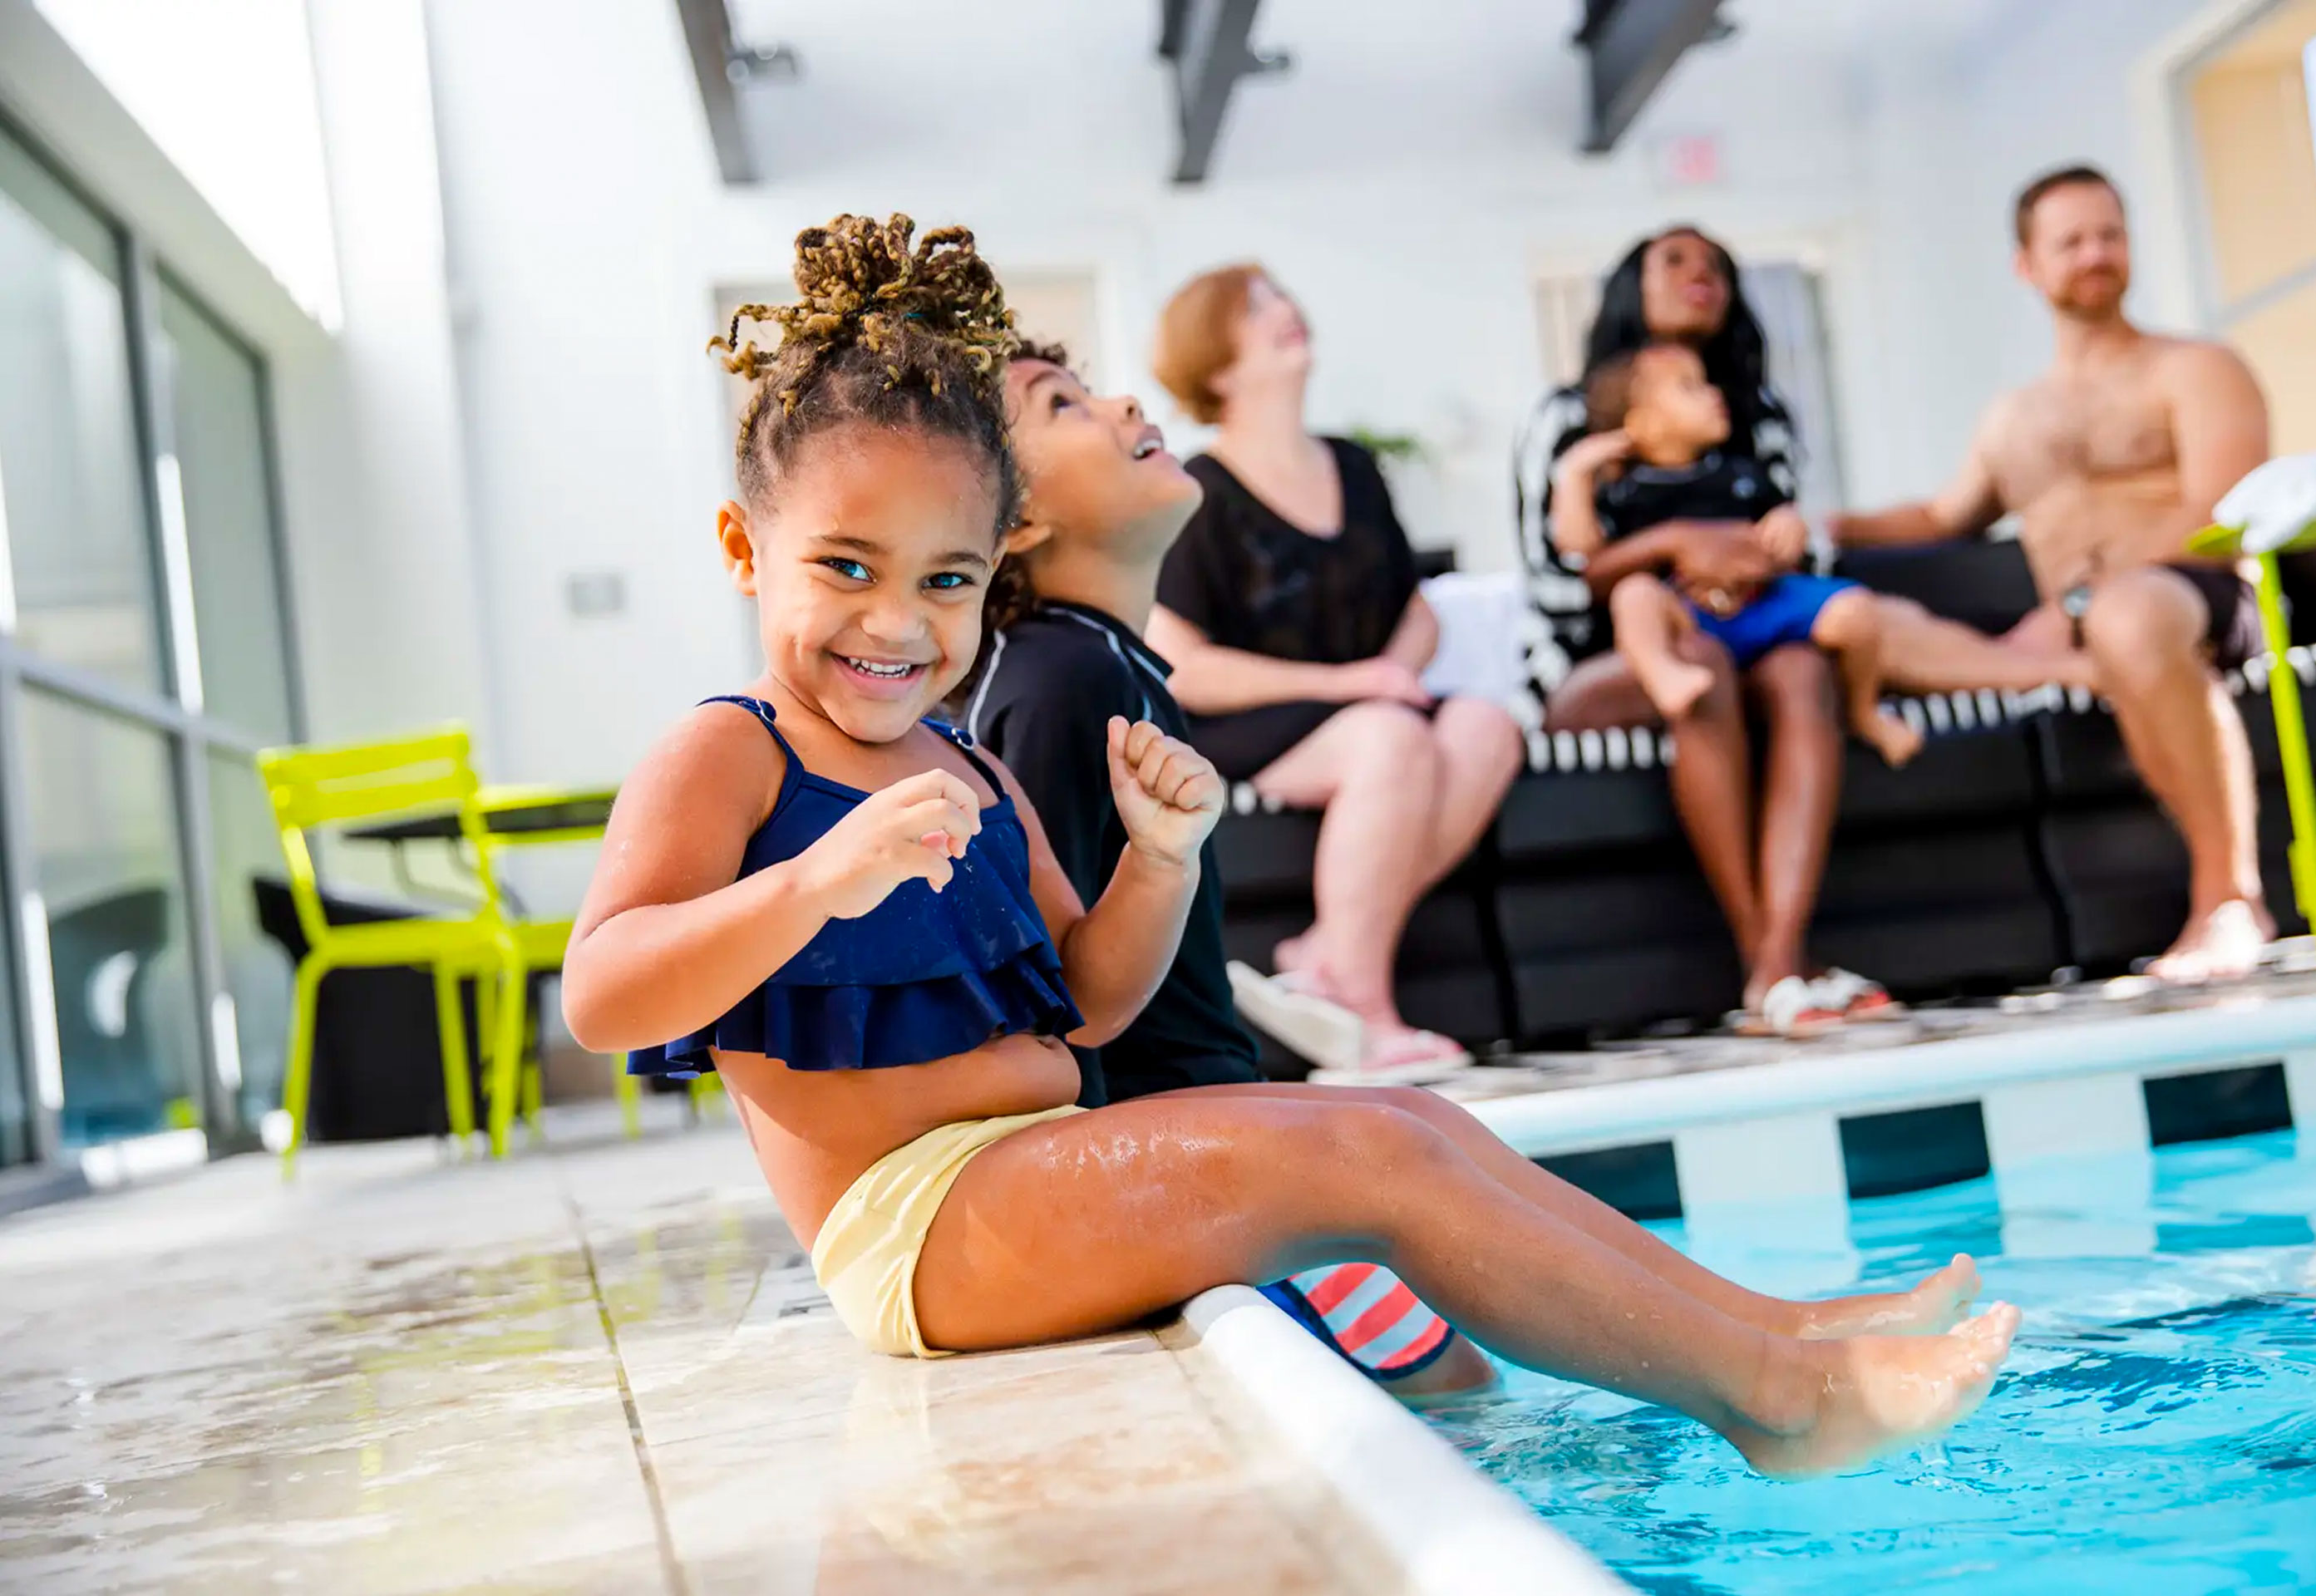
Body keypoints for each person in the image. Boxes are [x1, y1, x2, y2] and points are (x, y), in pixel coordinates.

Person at [563, 213, 2018, 1480]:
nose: (897, 622)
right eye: (844, 567)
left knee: (1418, 1126)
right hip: (920, 1226)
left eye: (947, 580)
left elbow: (1089, 1002)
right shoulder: (733, 751)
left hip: (1032, 1164)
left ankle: (1781, 1332)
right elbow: (606, 992)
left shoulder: (970, 769)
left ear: (994, 564)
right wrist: (814, 884)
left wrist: (1160, 858)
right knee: (1373, 1160)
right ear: (746, 551)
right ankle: (1775, 1402)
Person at [963, 339, 1496, 1400]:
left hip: (1212, 1128)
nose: (1122, 403)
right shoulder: (1065, 684)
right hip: (1189, 1161)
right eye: (1063, 406)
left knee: (1436, 1193)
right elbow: (1048, 991)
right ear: (1015, 525)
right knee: (1454, 1377)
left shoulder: (1104, 663)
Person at [1831, 165, 2274, 983]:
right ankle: (2082, 666)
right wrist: (1828, 526)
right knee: (1864, 625)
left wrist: (2077, 604)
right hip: (2078, 630)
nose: (2095, 254)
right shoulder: (2012, 417)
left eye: (2110, 235)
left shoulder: (2195, 367)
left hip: (2190, 596)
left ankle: (2230, 902)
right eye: (2071, 242)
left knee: (2123, 617)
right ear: (2026, 265)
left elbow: (2221, 509)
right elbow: (1940, 517)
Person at [1145, 264, 1523, 1079]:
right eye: (1255, 308)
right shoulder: (1197, 490)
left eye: (1280, 295)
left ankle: (1327, 951)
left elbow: (1417, 610)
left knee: (1487, 726)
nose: (1286, 308)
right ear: (1216, 365)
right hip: (1252, 718)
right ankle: (1367, 1007)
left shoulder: (1354, 466)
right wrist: (1352, 686)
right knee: (1390, 738)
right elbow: (1184, 669)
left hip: (1367, 704)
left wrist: (1389, 670)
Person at [1515, 228, 1879, 1036]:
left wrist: (1747, 566)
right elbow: (1556, 580)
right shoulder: (1569, 419)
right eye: (1674, 262)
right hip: (1618, 654)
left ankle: (1776, 964)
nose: (1699, 274)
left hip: (1752, 628)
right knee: (1701, 661)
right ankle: (1774, 964)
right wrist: (1674, 550)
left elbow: (1803, 549)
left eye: (1715, 265)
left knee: (1802, 669)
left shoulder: (1757, 413)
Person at [1583, 343, 1927, 768]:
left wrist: (1788, 526)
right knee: (1634, 595)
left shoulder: (1741, 473)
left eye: (1707, 382)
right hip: (1691, 614)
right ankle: (1663, 675)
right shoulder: (1626, 493)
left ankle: (1863, 711)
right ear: (1644, 425)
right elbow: (1584, 548)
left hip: (1763, 602)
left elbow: (1780, 517)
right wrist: (1575, 474)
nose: (1713, 393)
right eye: (1689, 387)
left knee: (1859, 611)